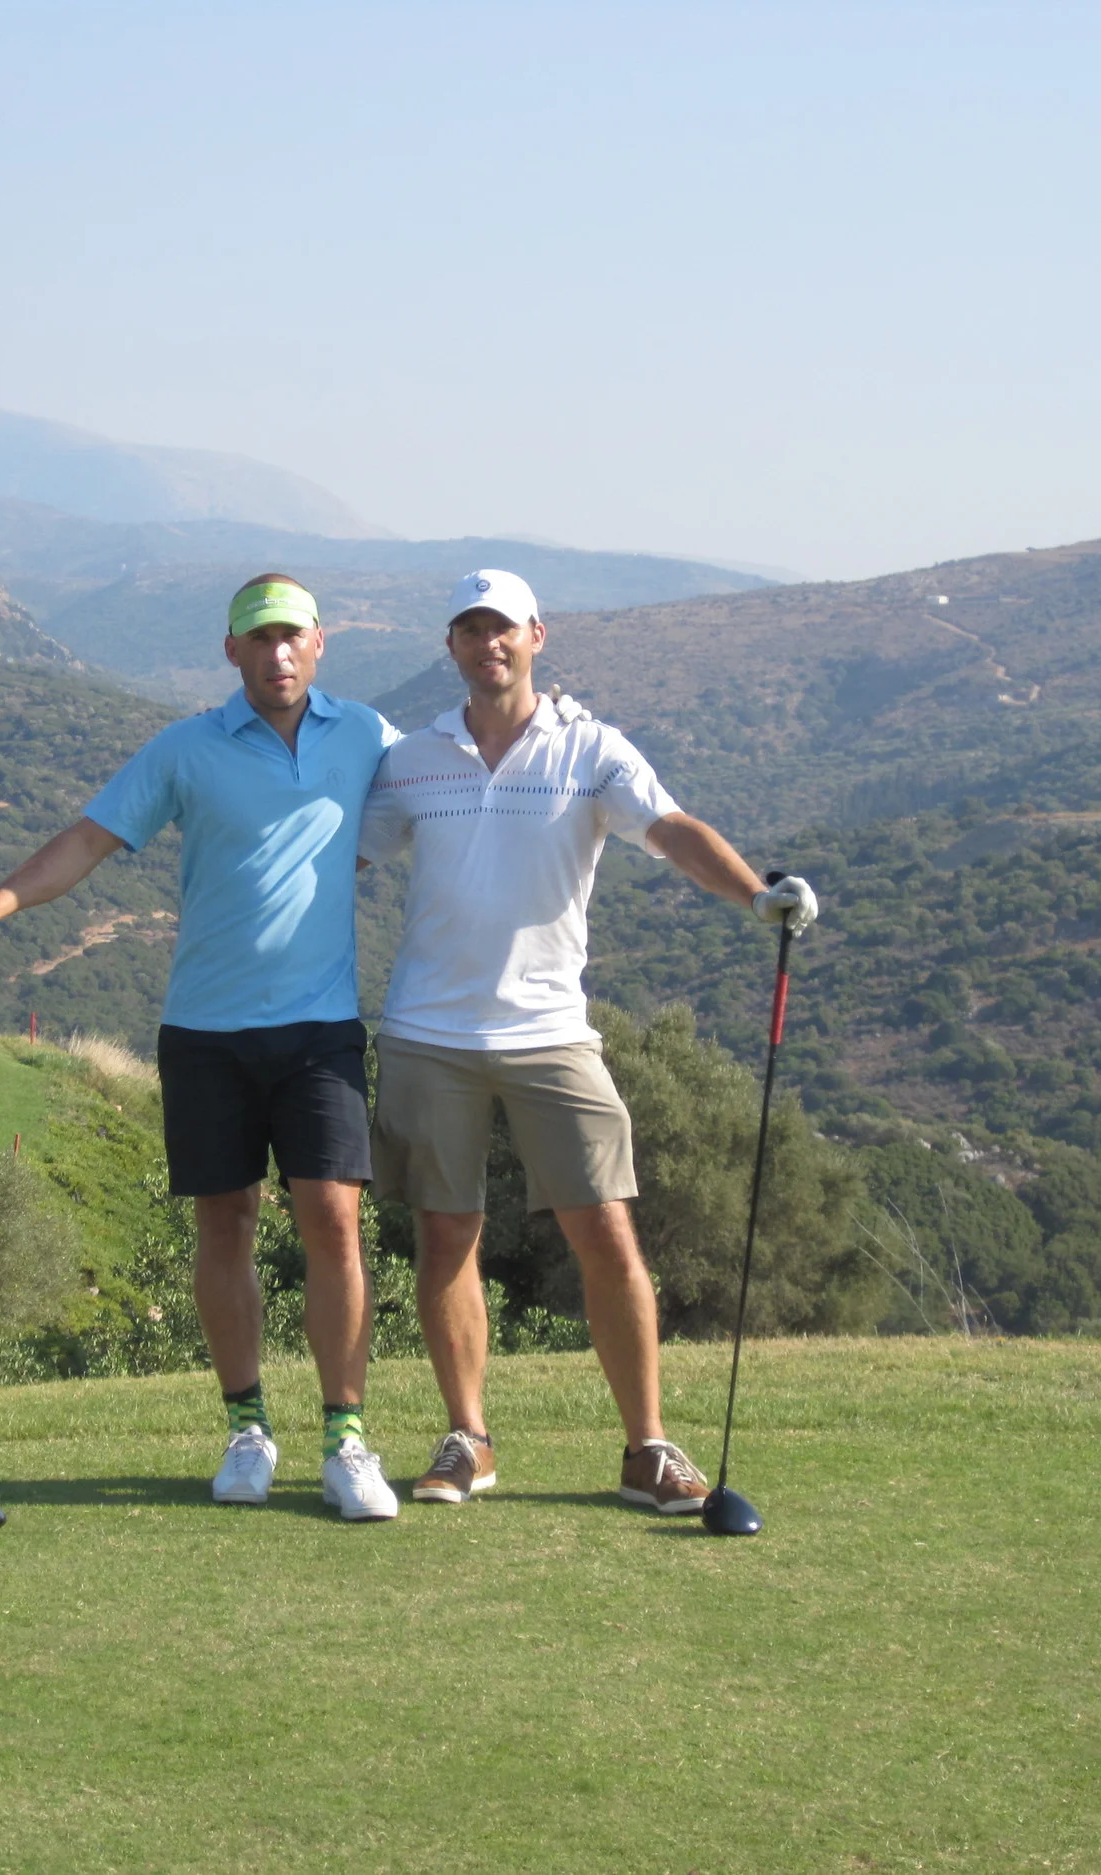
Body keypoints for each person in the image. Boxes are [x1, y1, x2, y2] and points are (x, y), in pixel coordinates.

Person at [0, 573, 405, 1521]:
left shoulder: (368, 736)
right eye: (258, 639)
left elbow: (454, 781)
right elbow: (89, 840)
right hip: (206, 1031)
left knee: (334, 1224)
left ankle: (346, 1439)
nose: (276, 655)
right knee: (223, 1222)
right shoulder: (186, 749)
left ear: (320, 644)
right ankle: (247, 1429)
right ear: (232, 652)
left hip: (319, 1029)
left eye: (292, 638)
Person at [358, 569, 817, 1514]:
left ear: (538, 636)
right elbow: (341, 845)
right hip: (427, 1030)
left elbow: (673, 829)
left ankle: (647, 1445)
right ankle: (467, 1438)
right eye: (471, 629)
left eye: (505, 629)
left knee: (606, 1230)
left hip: (551, 1033)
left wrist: (753, 894)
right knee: (446, 1236)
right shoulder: (412, 758)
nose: (489, 644)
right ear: (449, 646)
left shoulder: (592, 748)